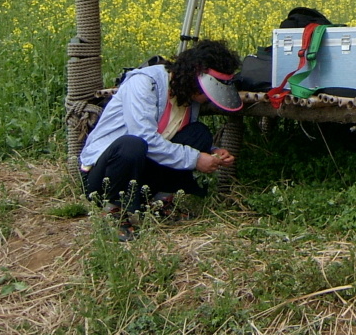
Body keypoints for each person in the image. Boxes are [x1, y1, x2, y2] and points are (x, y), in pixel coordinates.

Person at [79, 39, 243, 239]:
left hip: (141, 168)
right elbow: (144, 137)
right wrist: (195, 159)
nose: (208, 98)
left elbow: (172, 134)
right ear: (194, 78)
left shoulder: (187, 97)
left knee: (199, 133)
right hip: (104, 173)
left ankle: (159, 202)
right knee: (132, 144)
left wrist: (212, 151)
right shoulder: (145, 82)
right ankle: (113, 209)